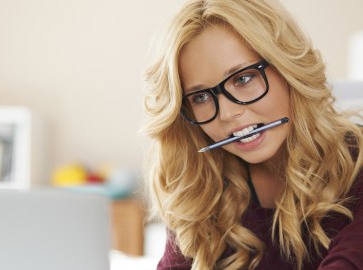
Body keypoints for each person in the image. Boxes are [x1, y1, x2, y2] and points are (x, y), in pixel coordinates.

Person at [142, 0, 363, 269]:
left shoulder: (356, 165)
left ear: (287, 68)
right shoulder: (202, 186)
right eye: (200, 97)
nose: (226, 113)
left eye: (243, 79)